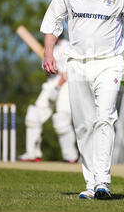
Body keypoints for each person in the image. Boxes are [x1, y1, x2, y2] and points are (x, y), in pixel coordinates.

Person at [41, 0, 124, 200]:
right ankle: (90, 184)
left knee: (105, 119)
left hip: (108, 64)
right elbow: (53, 22)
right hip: (76, 63)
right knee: (84, 125)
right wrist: (48, 52)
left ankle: (103, 182)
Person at [18, 35, 79, 163]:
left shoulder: (67, 46)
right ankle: (32, 153)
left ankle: (71, 156)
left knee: (62, 120)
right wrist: (49, 68)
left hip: (66, 83)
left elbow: (71, 68)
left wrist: (59, 85)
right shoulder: (49, 48)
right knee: (33, 116)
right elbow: (47, 70)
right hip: (52, 83)